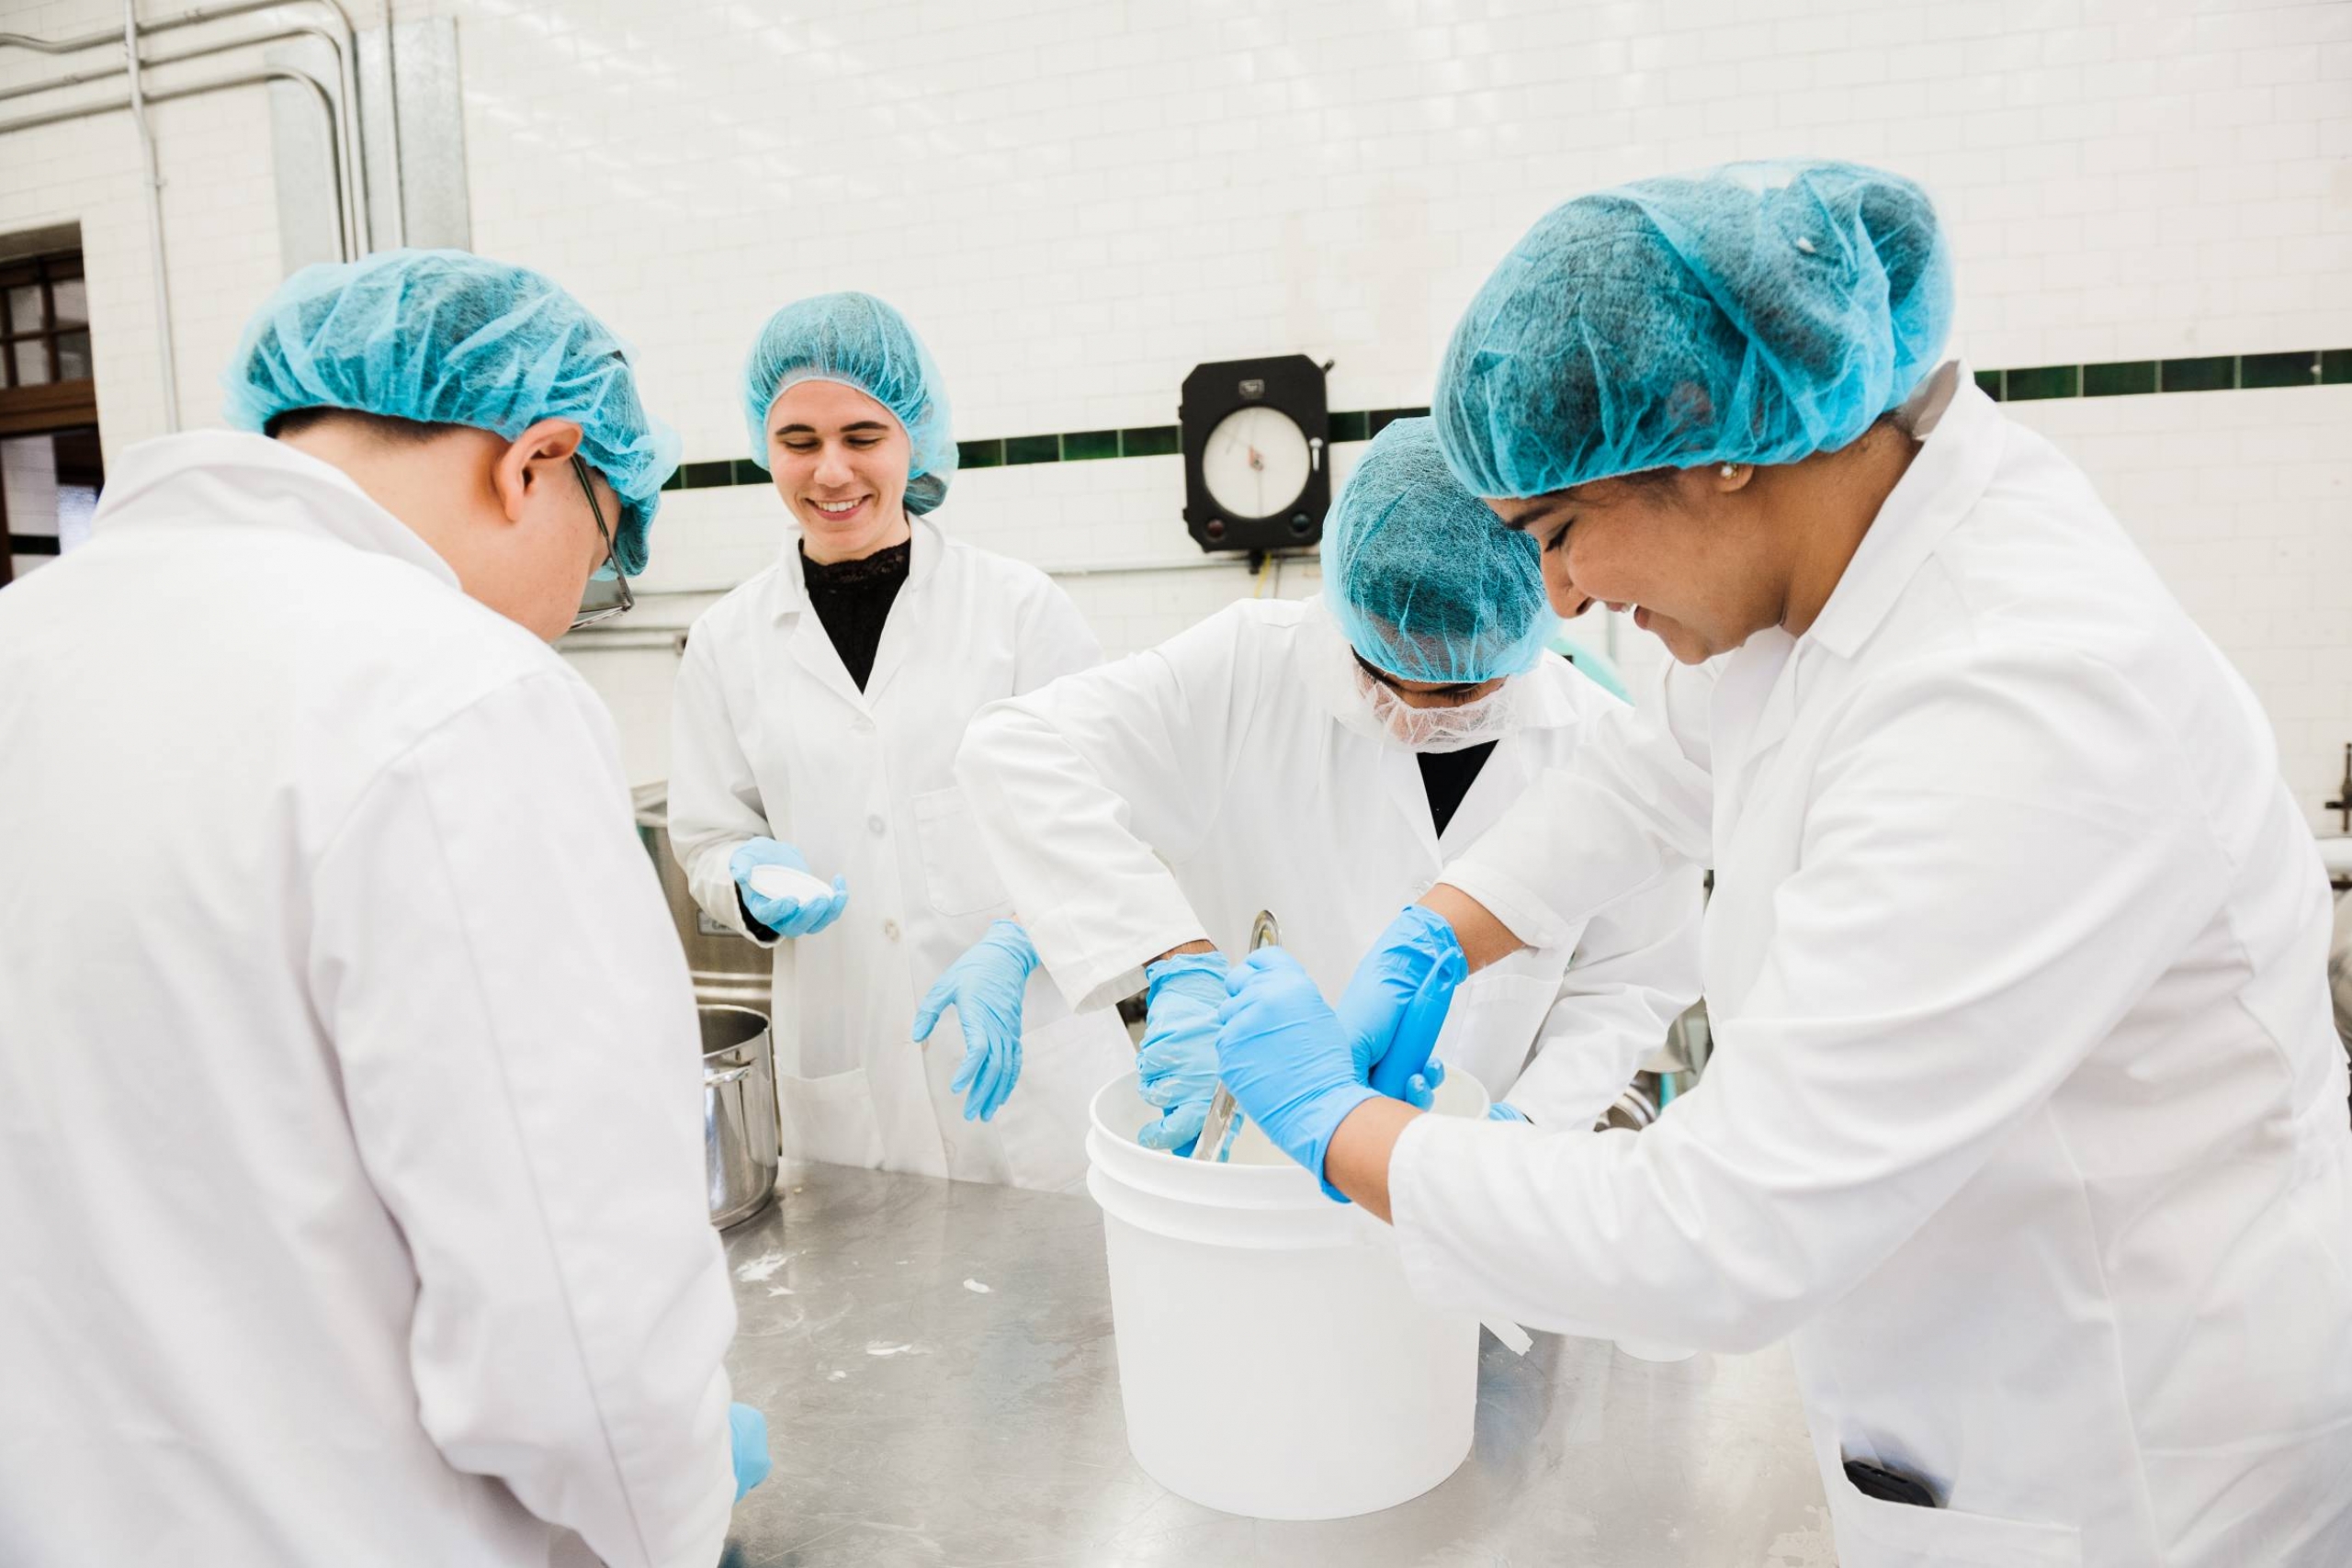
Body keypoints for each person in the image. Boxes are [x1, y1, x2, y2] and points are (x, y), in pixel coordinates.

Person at [1213, 162, 2352, 1568]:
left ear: (1715, 447)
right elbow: (1658, 770)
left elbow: (1722, 1227)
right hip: (1977, 1381)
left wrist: (1339, 1132)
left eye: (1560, 533)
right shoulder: (1837, 575)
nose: (1559, 599)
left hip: (2123, 1451)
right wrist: (1443, 927)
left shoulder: (2021, 697)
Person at [0, 251, 766, 1565]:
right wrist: (679, 1517)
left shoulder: (30, 641)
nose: (580, 604)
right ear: (536, 461)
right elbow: (580, 1330)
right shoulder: (455, 696)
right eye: (604, 549)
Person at [956, 417, 1701, 1153]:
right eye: (1380, 674)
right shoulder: (1247, 663)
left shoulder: (1606, 744)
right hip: (1253, 1156)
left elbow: (1631, 980)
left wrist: (1529, 1125)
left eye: (1453, 695)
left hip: (1472, 1171)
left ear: (1541, 611)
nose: (1413, 715)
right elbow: (1017, 746)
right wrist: (1174, 957)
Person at [669, 291, 1128, 1189]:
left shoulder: (1018, 610)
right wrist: (748, 886)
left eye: (861, 436)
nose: (831, 471)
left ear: (913, 437)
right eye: (799, 441)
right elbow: (709, 841)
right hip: (851, 1075)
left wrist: (1019, 943)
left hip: (1034, 1073)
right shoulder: (727, 640)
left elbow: (1104, 819)